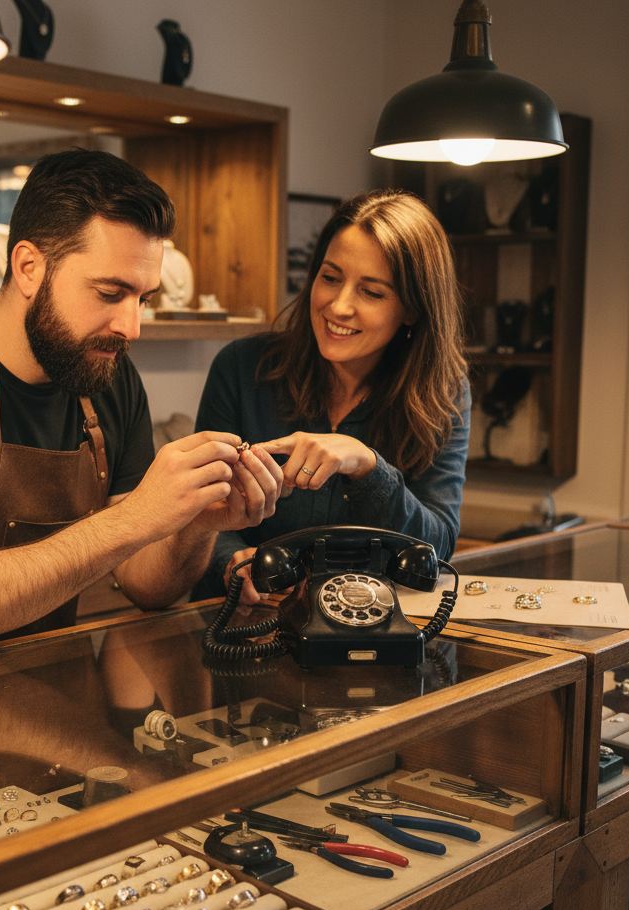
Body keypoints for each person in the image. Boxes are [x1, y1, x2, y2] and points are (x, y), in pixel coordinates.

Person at [0, 149, 282, 672]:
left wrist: (197, 524)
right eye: (111, 293)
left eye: (143, 299)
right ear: (28, 267)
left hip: (35, 691)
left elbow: (148, 586)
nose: (131, 327)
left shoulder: (106, 374)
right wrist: (135, 518)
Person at [191, 188, 469, 604]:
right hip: (247, 627)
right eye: (330, 277)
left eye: (371, 292)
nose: (338, 306)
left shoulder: (443, 394)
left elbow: (437, 548)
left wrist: (368, 467)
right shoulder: (242, 368)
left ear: (412, 309)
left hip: (376, 635)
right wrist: (235, 562)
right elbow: (201, 516)